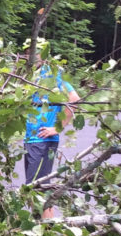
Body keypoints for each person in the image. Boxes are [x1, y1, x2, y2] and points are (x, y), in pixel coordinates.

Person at [23, 52, 81, 219]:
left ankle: (47, 233)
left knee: (38, 189)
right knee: (37, 188)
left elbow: (74, 100)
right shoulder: (30, 76)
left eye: (33, 53)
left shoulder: (52, 76)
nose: (30, 55)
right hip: (31, 140)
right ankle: (43, 231)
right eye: (27, 52)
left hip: (43, 141)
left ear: (44, 56)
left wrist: (57, 127)